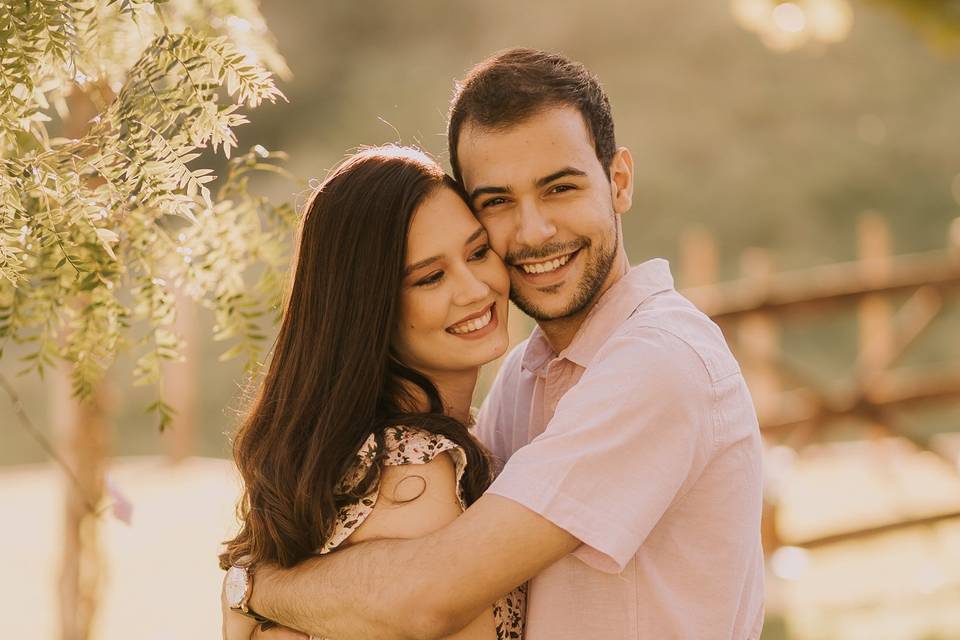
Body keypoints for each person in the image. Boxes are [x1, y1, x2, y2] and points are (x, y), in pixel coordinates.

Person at [223, 48, 765, 640]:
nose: (533, 232)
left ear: (619, 181)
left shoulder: (661, 362)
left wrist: (256, 588)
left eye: (559, 188)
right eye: (498, 202)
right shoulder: (523, 378)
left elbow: (430, 597)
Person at [219, 145, 525, 640]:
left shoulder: (362, 456)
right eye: (430, 277)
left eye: (477, 252)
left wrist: (249, 589)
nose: (474, 289)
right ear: (369, 309)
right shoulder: (415, 469)